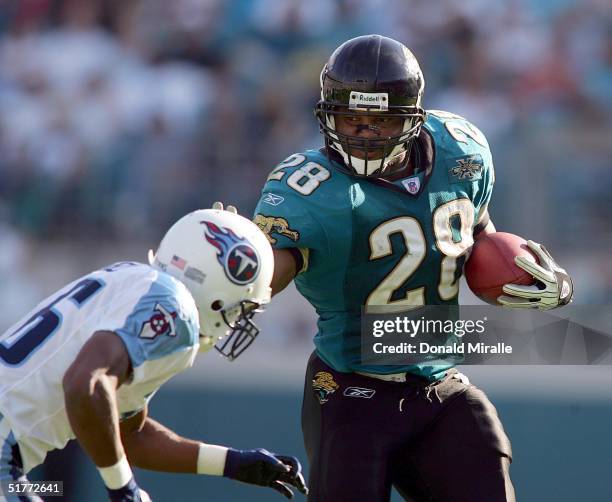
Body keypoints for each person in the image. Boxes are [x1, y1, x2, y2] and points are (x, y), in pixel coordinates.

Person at [249, 34, 573, 501]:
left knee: (486, 453)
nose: (362, 133)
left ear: (412, 117)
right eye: (351, 119)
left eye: (379, 122)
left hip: (437, 383)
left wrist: (530, 273)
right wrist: (244, 269)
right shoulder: (309, 188)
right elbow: (277, 266)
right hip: (349, 386)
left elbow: (478, 238)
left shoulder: (462, 152)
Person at [0, 209, 308, 501]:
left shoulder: (135, 280)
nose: (239, 319)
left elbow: (132, 436)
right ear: (221, 289)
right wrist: (122, 487)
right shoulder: (173, 309)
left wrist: (232, 462)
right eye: (243, 306)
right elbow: (85, 384)